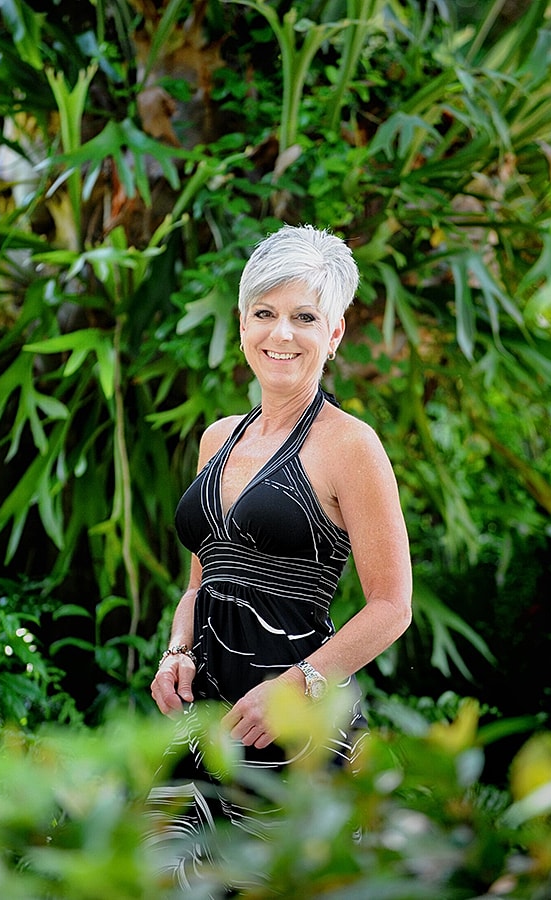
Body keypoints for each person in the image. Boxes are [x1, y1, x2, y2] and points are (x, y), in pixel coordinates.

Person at [146, 223, 412, 888]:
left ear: (335, 334)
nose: (281, 334)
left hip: (291, 729)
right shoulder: (218, 439)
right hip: (207, 720)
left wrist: (296, 687)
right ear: (242, 324)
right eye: (264, 314)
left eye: (303, 317)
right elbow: (203, 580)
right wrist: (177, 651)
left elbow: (390, 607)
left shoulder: (350, 445)